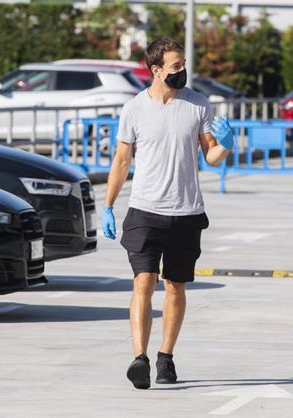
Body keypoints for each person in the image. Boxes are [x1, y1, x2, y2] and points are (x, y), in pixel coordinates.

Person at [101, 37, 233, 390]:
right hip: (144, 209)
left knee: (175, 286)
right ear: (156, 70)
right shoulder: (134, 109)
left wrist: (226, 146)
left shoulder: (197, 105)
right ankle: (139, 358)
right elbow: (122, 160)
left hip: (187, 212)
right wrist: (108, 205)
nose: (182, 71)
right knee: (143, 281)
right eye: (175, 66)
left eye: (183, 64)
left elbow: (211, 156)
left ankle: (166, 357)